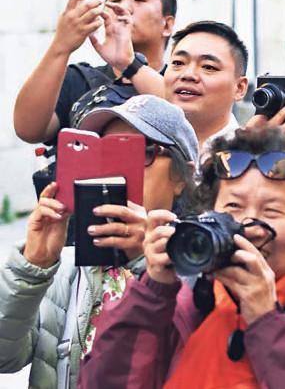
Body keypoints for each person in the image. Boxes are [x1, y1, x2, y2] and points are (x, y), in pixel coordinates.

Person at [79, 126, 285, 388]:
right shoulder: (183, 296)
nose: (248, 226)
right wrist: (153, 292)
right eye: (233, 208)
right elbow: (103, 382)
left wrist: (267, 319)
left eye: (271, 211)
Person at [0, 95, 198, 388]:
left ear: (183, 176)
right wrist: (33, 266)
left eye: (140, 152)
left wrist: (146, 262)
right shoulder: (67, 267)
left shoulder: (202, 264)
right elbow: (5, 358)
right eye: (105, 151)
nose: (119, 168)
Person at [14, 0, 176, 145]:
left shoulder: (181, 81)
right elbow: (29, 130)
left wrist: (130, 64)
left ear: (168, 25)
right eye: (116, 0)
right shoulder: (79, 79)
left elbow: (186, 121)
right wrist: (60, 47)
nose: (124, 6)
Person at [165, 20, 249, 149]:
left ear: (239, 88)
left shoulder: (255, 159)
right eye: (178, 63)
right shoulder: (145, 148)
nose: (188, 75)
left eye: (208, 67)